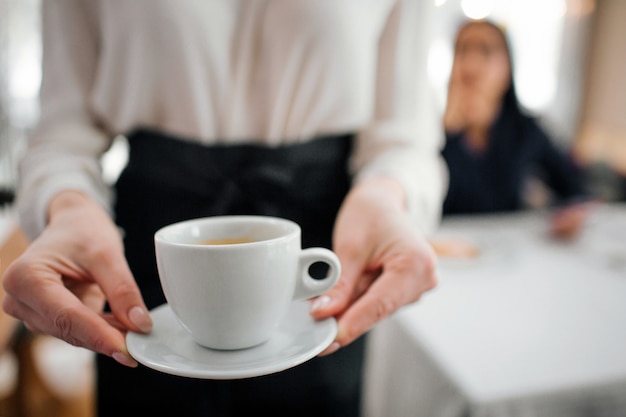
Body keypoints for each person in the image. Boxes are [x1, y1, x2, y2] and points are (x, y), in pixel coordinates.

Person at [1, 1, 445, 416]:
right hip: (147, 268)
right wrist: (68, 204)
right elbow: (62, 131)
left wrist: (388, 196)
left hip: (317, 266)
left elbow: (404, 137)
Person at [441, 19, 592, 239]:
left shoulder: (526, 129)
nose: (471, 65)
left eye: (485, 51)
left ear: (507, 66)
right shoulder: (432, 133)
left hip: (508, 253)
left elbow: (574, 184)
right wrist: (447, 132)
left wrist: (571, 213)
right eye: (463, 50)